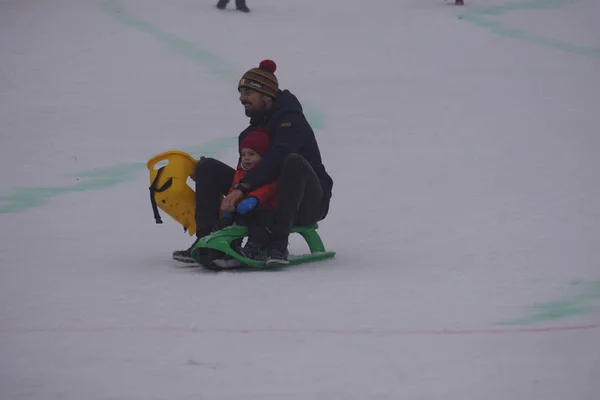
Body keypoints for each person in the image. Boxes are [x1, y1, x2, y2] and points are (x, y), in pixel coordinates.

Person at [173, 59, 333, 266]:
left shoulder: (292, 122)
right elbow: (249, 168)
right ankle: (207, 240)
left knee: (292, 161)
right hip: (265, 198)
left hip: (307, 202)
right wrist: (214, 178)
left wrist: (243, 187)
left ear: (267, 94)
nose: (241, 98)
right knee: (208, 168)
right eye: (241, 93)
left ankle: (278, 244)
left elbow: (278, 157)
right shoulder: (252, 130)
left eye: (248, 93)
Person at [218, 129, 278, 260]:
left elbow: (268, 189)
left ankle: (254, 246)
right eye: (243, 154)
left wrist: (254, 199)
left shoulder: (267, 174)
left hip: (265, 210)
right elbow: (233, 189)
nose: (246, 158)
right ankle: (225, 246)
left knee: (261, 223)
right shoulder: (240, 173)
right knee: (227, 221)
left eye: (251, 154)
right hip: (244, 210)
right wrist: (229, 204)